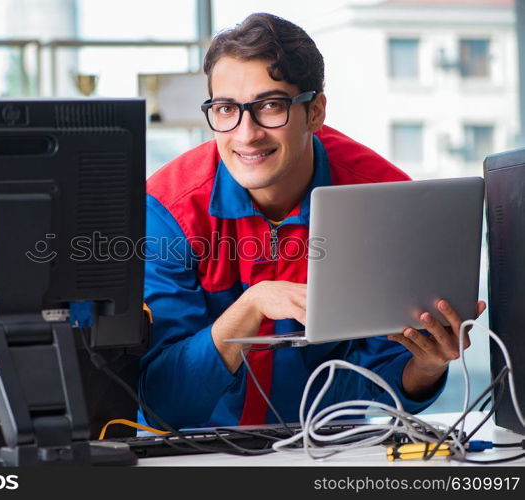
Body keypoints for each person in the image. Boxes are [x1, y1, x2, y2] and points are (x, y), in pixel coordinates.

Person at [140, 12, 485, 429]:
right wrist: (250, 306)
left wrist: (426, 366)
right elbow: (162, 400)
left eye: (271, 106)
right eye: (227, 109)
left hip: (328, 447)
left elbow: (385, 379)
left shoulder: (380, 197)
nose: (246, 134)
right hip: (196, 454)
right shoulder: (168, 210)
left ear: (315, 111)